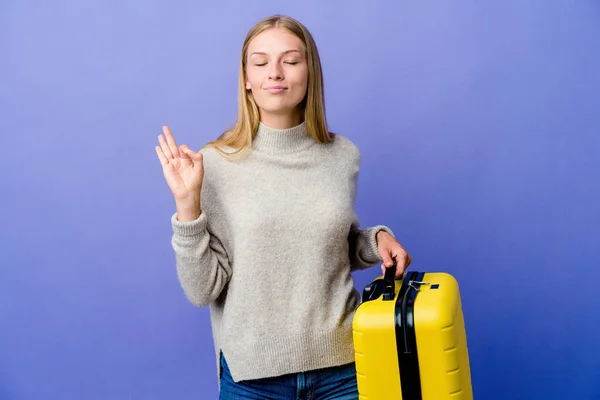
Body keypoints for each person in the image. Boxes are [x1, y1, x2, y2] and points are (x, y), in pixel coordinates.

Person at [155, 14, 411, 400]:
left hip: (345, 370)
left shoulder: (343, 156)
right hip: (253, 380)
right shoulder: (215, 164)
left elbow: (330, 243)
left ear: (310, 73)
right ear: (246, 78)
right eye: (260, 62)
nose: (275, 73)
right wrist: (187, 205)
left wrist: (378, 240)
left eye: (290, 61)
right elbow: (202, 290)